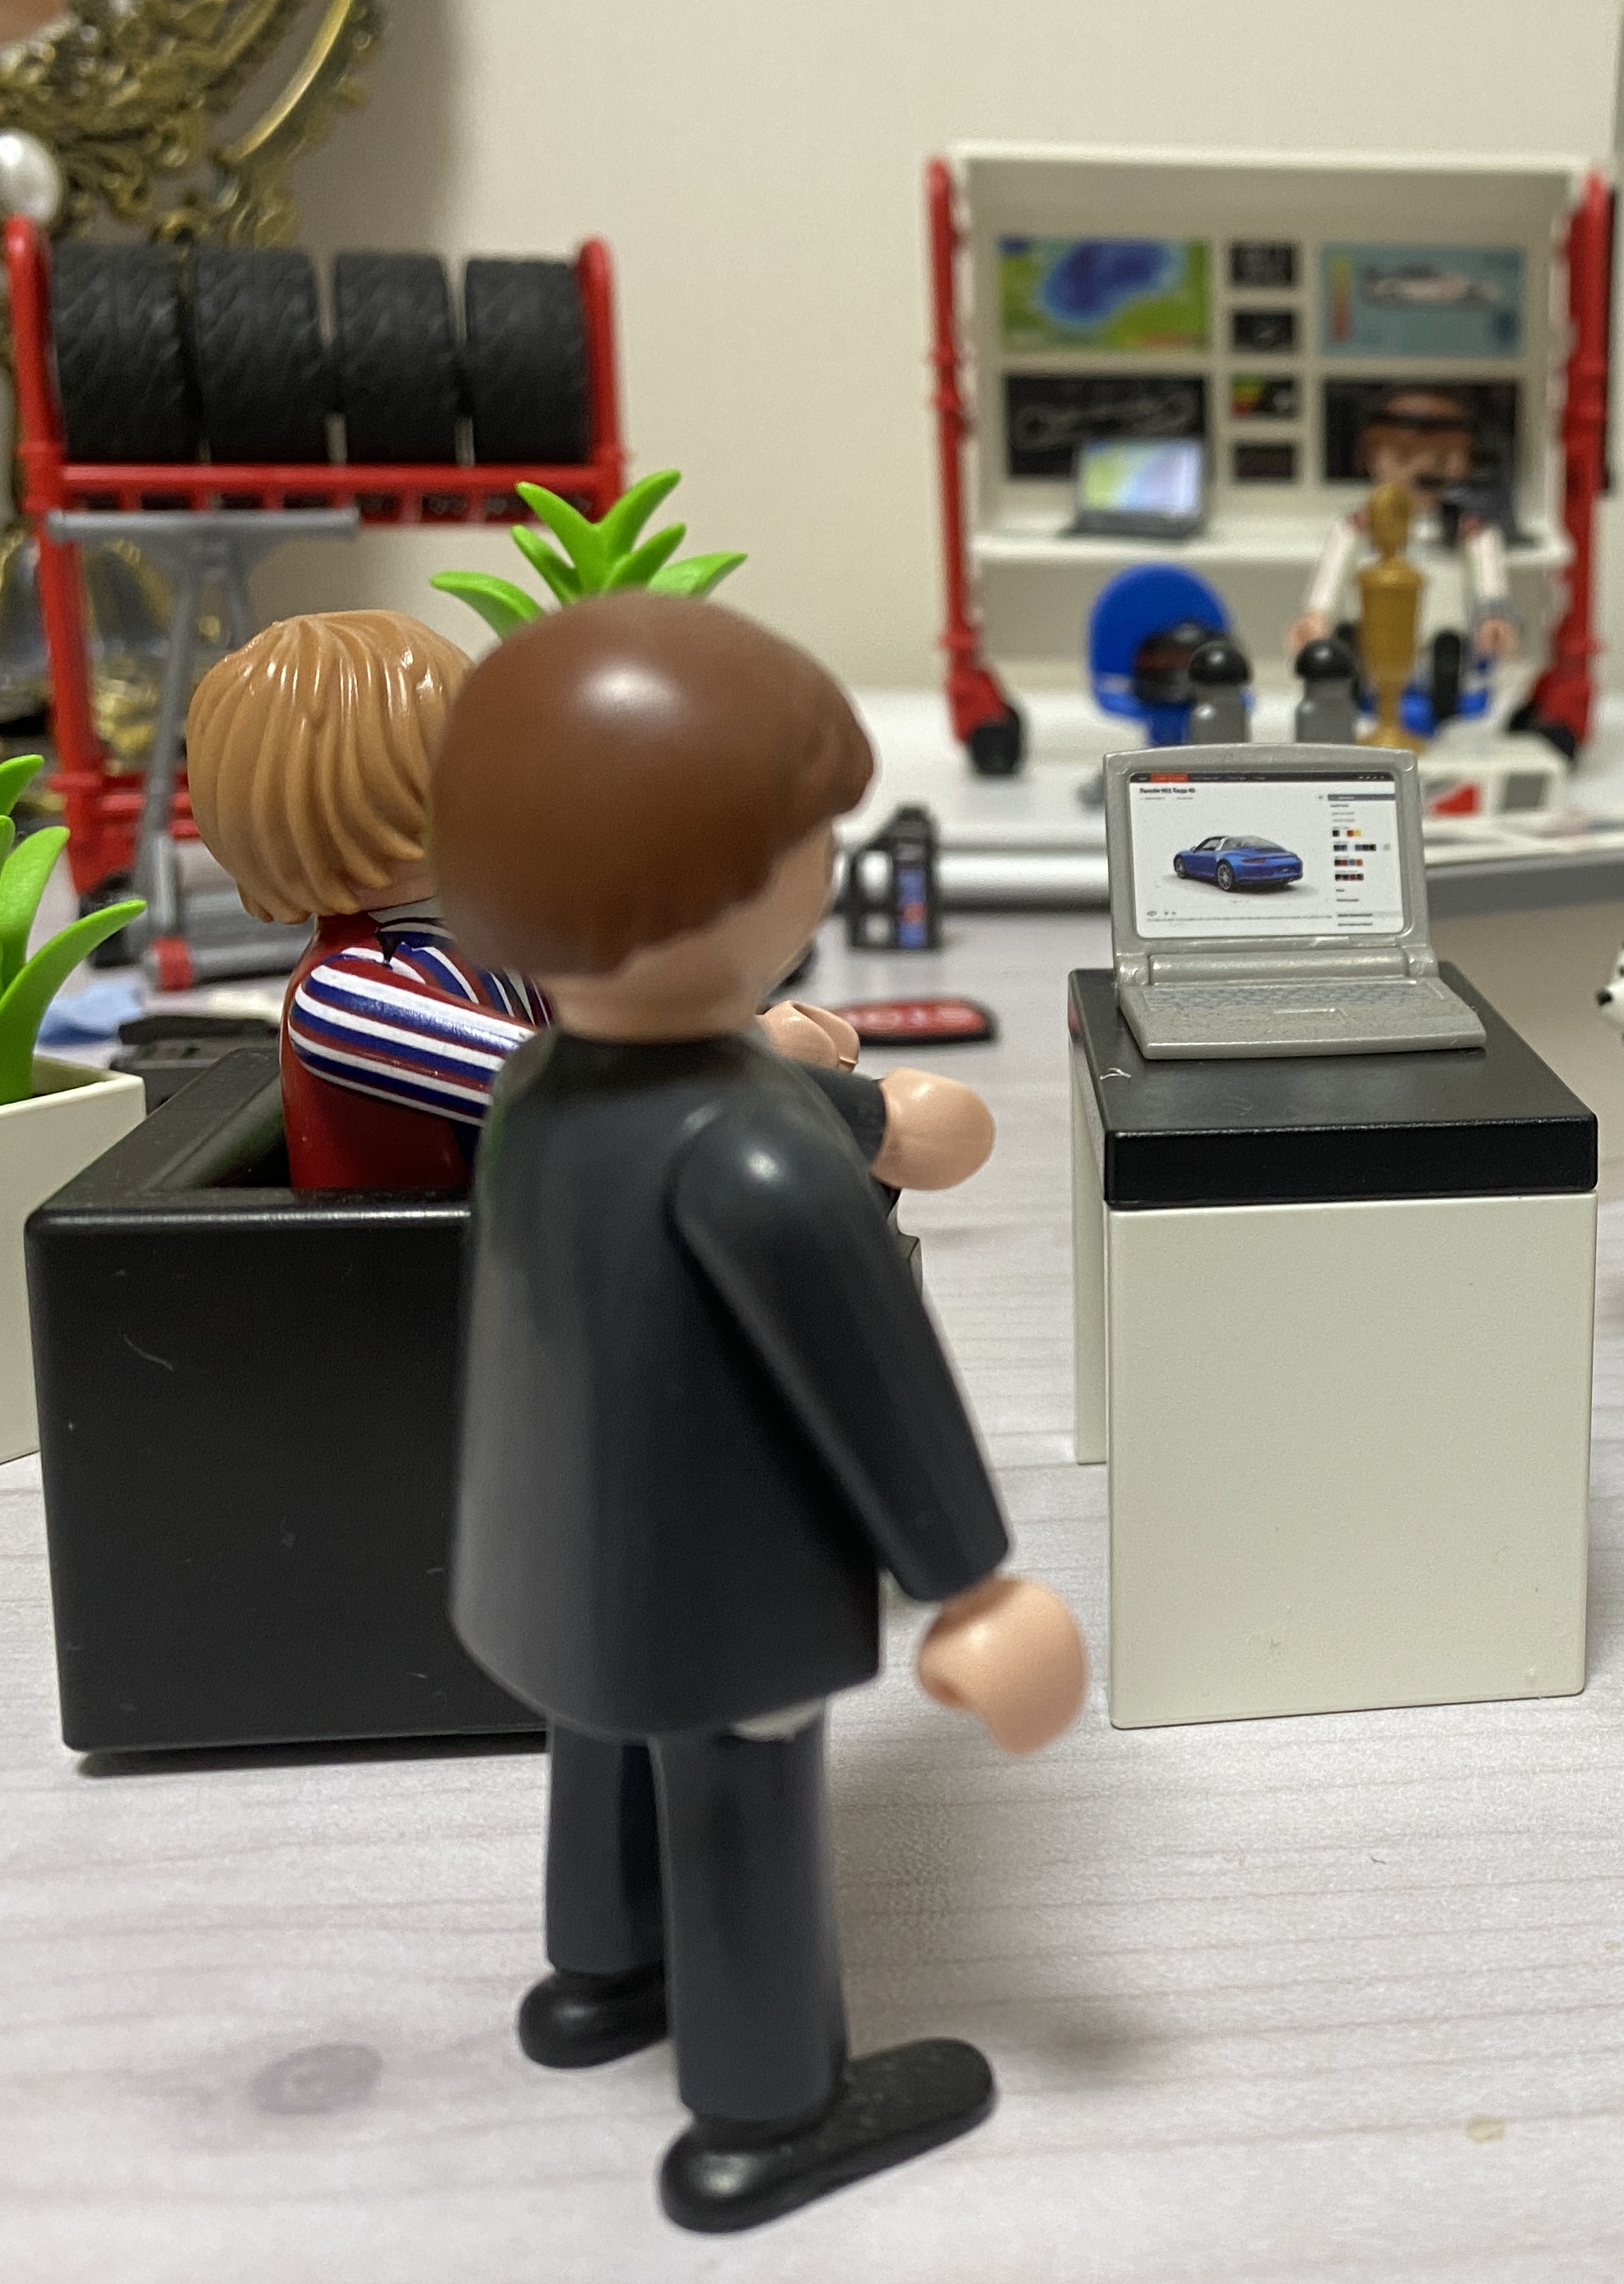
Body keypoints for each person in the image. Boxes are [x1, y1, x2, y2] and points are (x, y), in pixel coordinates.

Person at [428, 592, 1086, 2233]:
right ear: (715, 881)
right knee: (742, 1803)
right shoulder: (759, 1161)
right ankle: (766, 2101)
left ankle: (598, 1974)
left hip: (550, 1552)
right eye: (811, 843)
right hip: (721, 1578)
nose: (830, 870)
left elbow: (706, 1085)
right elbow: (877, 1379)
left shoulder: (532, 1083)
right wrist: (974, 1584)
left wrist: (866, 1104)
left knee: (597, 1743)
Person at [184, 608, 904, 1190]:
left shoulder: (484, 937)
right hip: (427, 1269)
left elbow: (605, 1027)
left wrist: (732, 1029)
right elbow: (552, 1085)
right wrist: (751, 1054)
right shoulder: (345, 997)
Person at [1287, 384, 1523, 688]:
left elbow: (1488, 575)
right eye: (1403, 456)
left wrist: (1493, 614)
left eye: (1442, 458)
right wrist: (1318, 614)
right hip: (1373, 637)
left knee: (1447, 659)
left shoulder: (1467, 530)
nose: (1423, 468)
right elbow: (1332, 572)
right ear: (1372, 456)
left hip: (1440, 640)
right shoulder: (1359, 526)